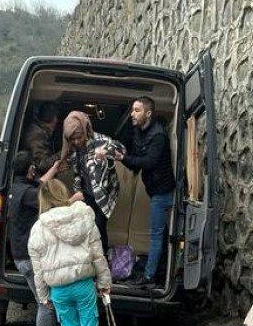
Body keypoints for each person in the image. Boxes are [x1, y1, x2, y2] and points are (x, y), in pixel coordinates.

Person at [27, 179, 111, 326]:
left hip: (59, 290)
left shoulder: (38, 228)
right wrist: (104, 282)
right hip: (83, 284)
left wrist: (43, 296)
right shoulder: (84, 218)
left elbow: (38, 269)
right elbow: (98, 256)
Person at [7, 151, 63, 326]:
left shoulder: (16, 188)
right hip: (30, 258)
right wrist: (73, 200)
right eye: (33, 167)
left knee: (48, 300)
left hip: (20, 256)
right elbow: (53, 201)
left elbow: (39, 184)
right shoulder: (29, 195)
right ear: (29, 169)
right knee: (46, 302)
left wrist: (54, 169)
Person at [120, 96, 175, 287]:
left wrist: (123, 158)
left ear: (148, 113)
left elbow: (148, 162)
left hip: (162, 193)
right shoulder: (139, 131)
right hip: (155, 191)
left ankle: (150, 278)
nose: (132, 114)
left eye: (137, 110)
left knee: (156, 235)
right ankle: (154, 272)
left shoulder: (158, 135)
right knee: (160, 234)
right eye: (132, 110)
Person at [58, 110, 125, 255]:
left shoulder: (101, 141)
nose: (76, 141)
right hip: (85, 193)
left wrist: (106, 152)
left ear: (86, 130)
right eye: (72, 139)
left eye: (79, 137)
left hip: (103, 193)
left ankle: (102, 259)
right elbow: (77, 171)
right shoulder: (72, 148)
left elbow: (122, 150)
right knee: (85, 227)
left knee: (99, 228)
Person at [22, 100, 61, 176]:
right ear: (54, 119)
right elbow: (41, 165)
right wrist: (63, 153)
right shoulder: (37, 134)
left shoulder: (39, 131)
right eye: (56, 117)